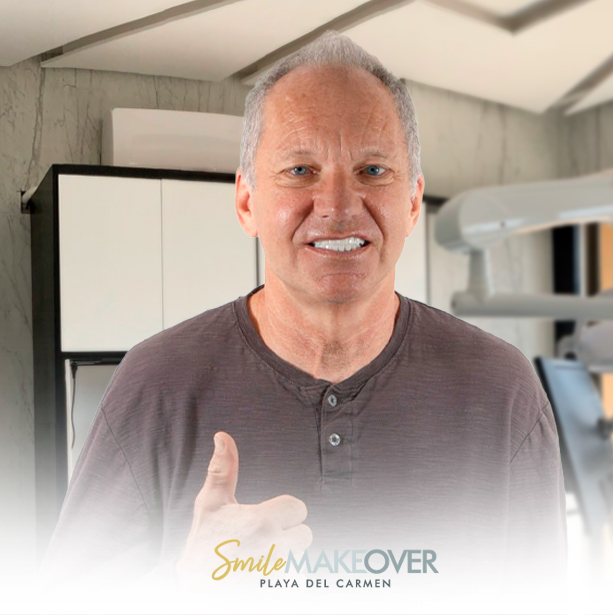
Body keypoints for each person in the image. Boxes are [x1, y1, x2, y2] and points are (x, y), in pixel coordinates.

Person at [38, 30, 566, 612]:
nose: (338, 207)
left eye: (372, 170)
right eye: (299, 170)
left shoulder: (503, 391)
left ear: (412, 201)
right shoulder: (154, 383)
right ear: (246, 202)